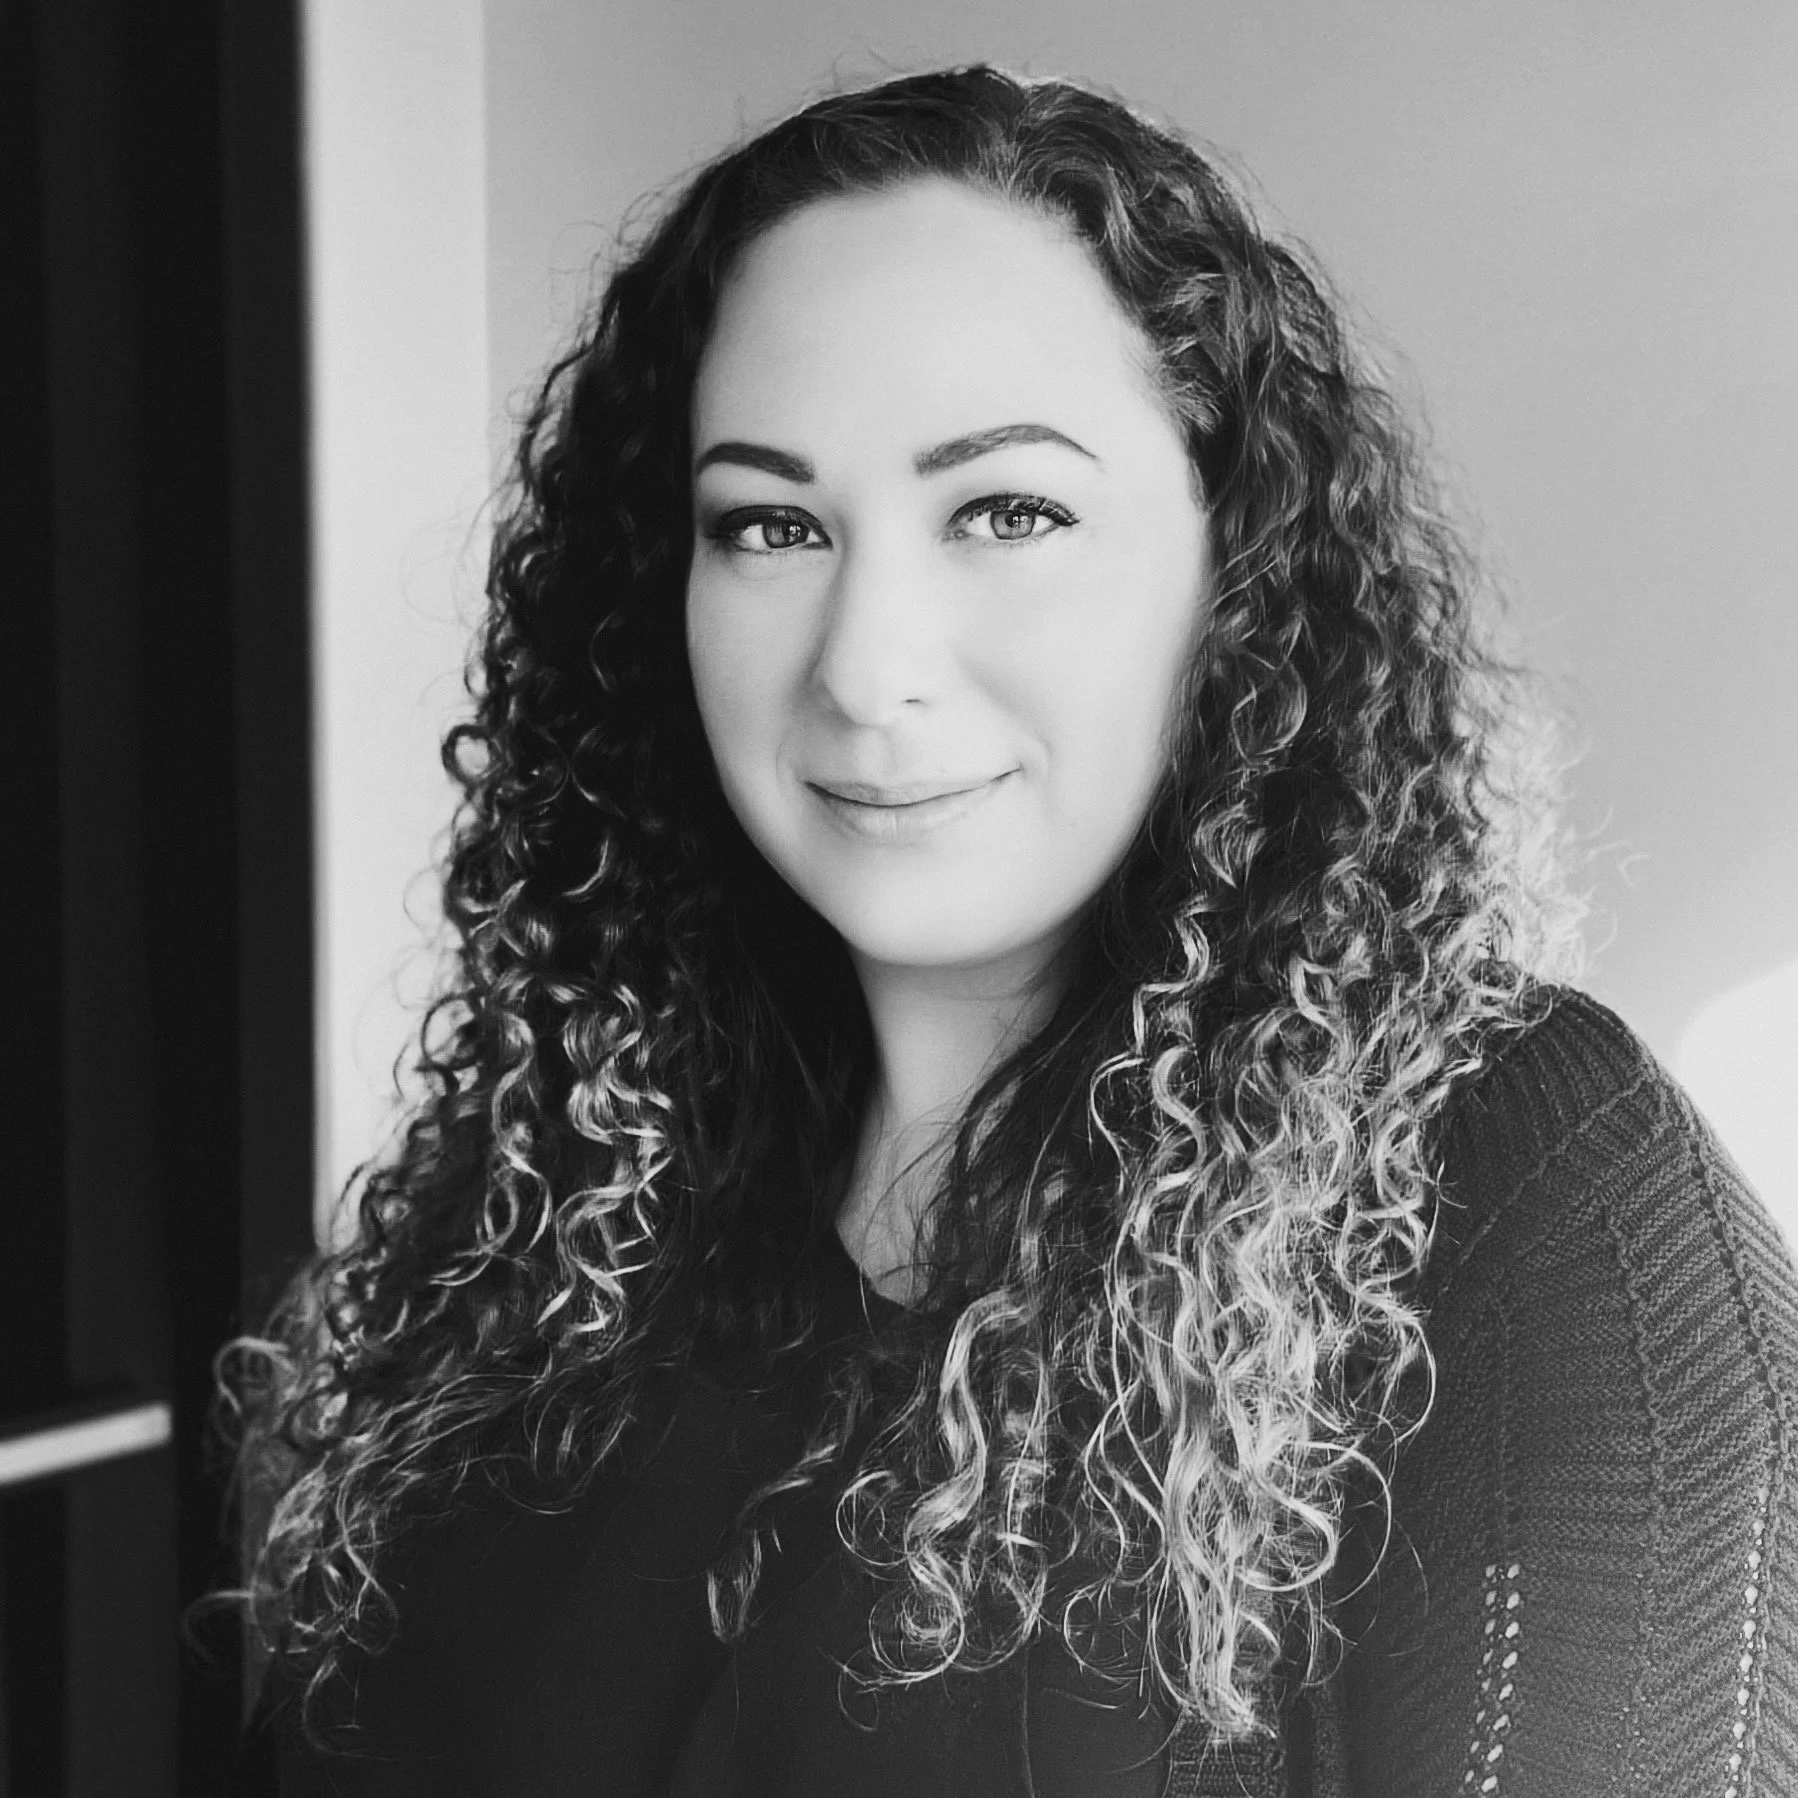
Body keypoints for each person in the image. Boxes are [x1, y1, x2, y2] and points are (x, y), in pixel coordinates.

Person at [229, 65, 1797, 1797]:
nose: (863, 660)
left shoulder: (1515, 1175)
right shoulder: (554, 1200)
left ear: (1233, 569)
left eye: (1006, 511)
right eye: (770, 523)